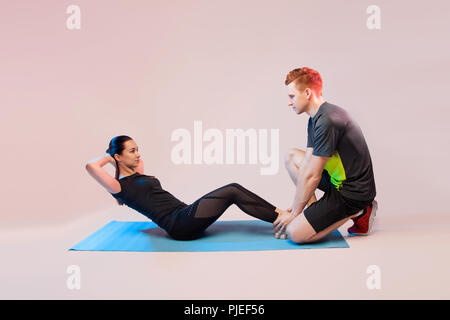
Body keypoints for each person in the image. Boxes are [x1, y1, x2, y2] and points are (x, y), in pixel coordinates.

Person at [85, 135, 291, 240]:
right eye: (132, 151)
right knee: (232, 190)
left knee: (232, 190)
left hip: (184, 213)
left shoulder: (137, 173)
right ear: (119, 156)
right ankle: (281, 216)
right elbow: (91, 166)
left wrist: (116, 160)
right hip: (179, 225)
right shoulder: (118, 187)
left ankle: (280, 214)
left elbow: (130, 165)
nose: (138, 154)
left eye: (137, 149)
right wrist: (109, 156)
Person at [273, 67, 377, 243]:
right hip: (337, 183)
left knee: (295, 233)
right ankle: (315, 213)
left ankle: (360, 210)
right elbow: (307, 164)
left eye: (292, 96)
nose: (289, 103)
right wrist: (297, 207)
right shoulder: (315, 118)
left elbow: (313, 176)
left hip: (353, 193)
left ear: (307, 92)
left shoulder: (328, 120)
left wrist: (295, 215)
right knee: (291, 157)